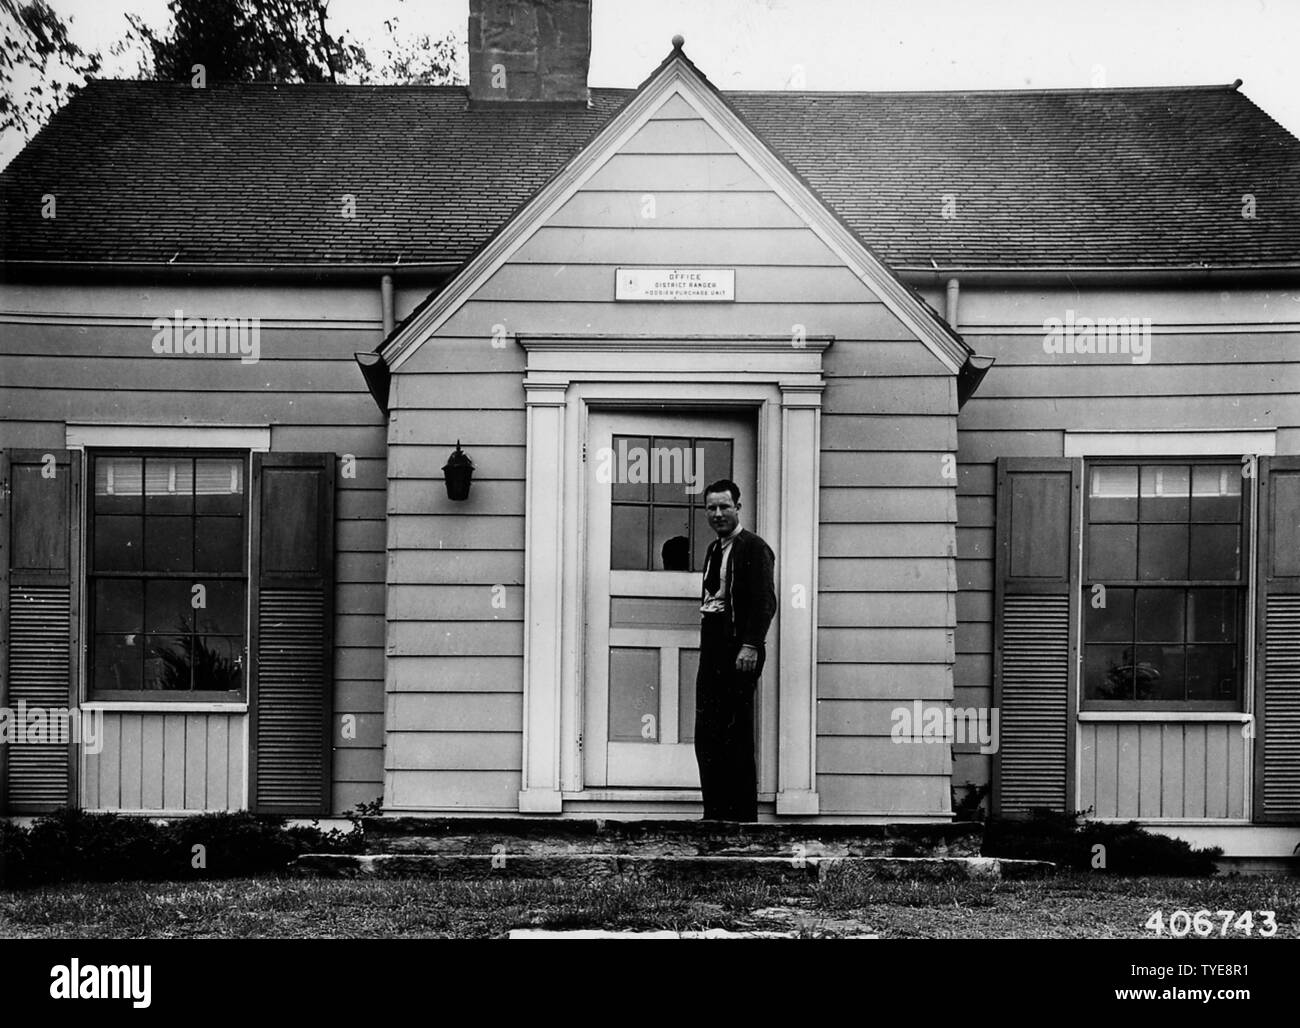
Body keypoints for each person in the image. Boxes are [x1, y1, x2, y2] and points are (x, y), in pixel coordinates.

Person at [694, 479, 776, 822]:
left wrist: (751, 644)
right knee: (707, 732)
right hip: (713, 648)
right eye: (711, 508)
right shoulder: (715, 550)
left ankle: (742, 818)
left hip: (739, 650)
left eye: (724, 506)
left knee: (736, 732)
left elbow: (764, 602)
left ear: (738, 508)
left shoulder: (753, 547)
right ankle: (714, 812)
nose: (717, 514)